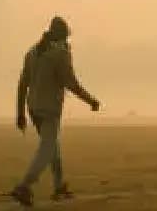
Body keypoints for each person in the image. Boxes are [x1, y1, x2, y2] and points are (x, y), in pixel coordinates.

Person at [8, 16, 100, 207]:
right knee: (47, 148)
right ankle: (24, 186)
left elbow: (22, 84)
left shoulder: (32, 51)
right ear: (61, 36)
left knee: (53, 147)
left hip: (33, 107)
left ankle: (59, 186)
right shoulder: (60, 53)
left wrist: (20, 113)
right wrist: (90, 100)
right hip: (49, 108)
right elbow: (71, 83)